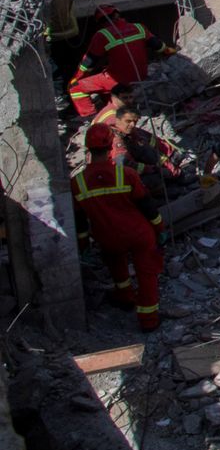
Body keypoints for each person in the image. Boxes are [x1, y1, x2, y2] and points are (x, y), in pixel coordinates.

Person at [71, 124, 164, 332]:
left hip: (107, 237)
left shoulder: (78, 183)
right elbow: (147, 206)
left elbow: (80, 221)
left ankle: (125, 298)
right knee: (146, 274)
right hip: (138, 233)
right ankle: (149, 320)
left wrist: (84, 244)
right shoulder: (126, 175)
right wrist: (160, 228)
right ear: (111, 145)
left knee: (117, 267)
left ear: (87, 147)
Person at [68, 5, 167, 115]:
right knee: (104, 74)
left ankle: (90, 119)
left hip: (118, 80)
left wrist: (78, 77)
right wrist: (170, 51)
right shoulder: (139, 27)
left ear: (100, 21)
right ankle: (111, 105)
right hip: (141, 76)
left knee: (75, 88)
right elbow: (159, 46)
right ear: (118, 15)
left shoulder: (103, 35)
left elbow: (89, 62)